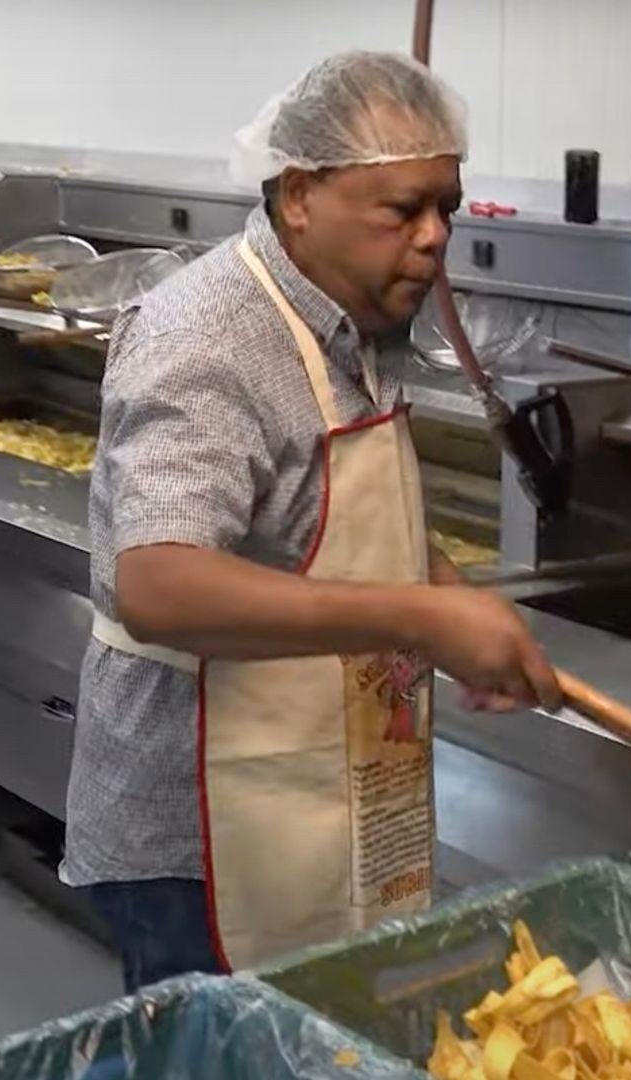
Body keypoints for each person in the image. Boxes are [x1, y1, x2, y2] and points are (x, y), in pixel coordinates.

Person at [60, 51, 562, 993]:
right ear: (300, 194)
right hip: (198, 823)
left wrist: (452, 607)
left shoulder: (358, 315)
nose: (432, 240)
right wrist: (416, 619)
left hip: (326, 779)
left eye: (445, 209)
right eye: (401, 210)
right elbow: (159, 583)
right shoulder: (203, 339)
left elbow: (329, 517)